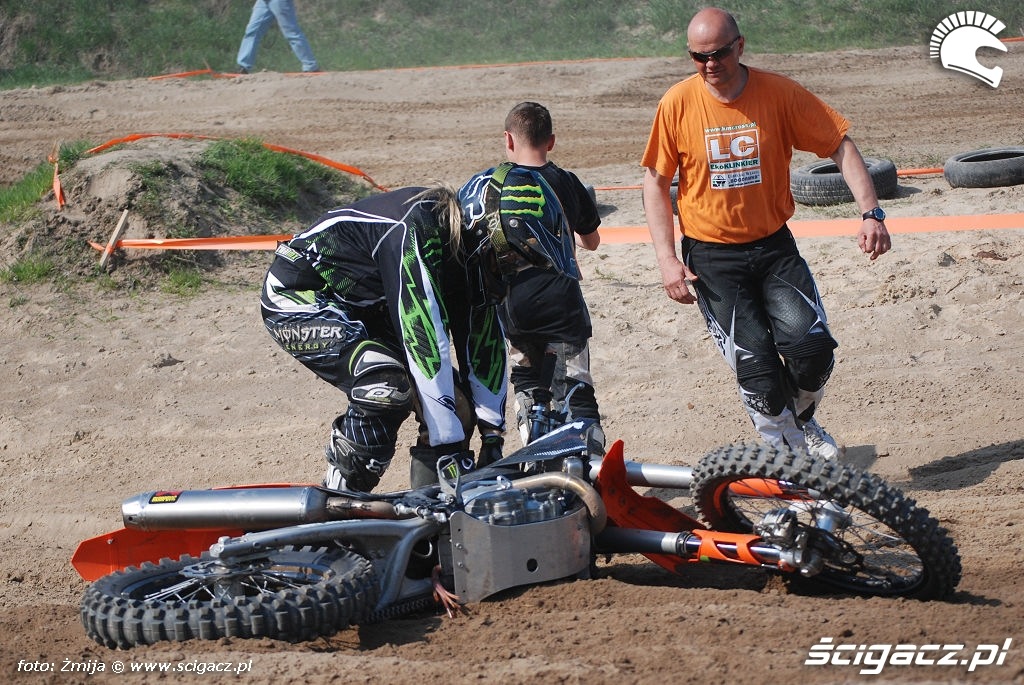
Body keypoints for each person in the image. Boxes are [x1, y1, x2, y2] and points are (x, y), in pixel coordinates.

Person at [640, 7, 891, 459]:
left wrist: (871, 213)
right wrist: (666, 259)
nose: (709, 64)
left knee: (812, 351)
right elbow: (655, 182)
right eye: (698, 57)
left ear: (740, 46)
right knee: (756, 371)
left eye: (718, 53)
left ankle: (802, 418)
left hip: (774, 248)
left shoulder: (779, 93)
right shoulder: (677, 103)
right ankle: (790, 461)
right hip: (711, 259)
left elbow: (839, 144)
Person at [261, 186, 507, 491]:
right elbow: (425, 338)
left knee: (457, 408)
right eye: (508, 257)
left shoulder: (464, 252)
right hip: (299, 293)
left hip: (367, 308)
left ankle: (433, 507)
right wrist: (449, 448)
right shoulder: (419, 229)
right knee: (383, 387)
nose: (509, 269)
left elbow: (483, 341)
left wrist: (493, 436)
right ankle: (340, 500)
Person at [461, 101, 604, 453]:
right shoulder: (567, 182)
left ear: (508, 139)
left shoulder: (491, 187)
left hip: (514, 304)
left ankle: (535, 441)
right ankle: (586, 452)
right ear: (550, 141)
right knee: (575, 383)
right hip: (561, 300)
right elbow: (592, 241)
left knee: (527, 379)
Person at [236, 0, 320, 74]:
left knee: (291, 32)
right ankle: (243, 67)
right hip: (263, 1)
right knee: (252, 32)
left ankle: (310, 66)